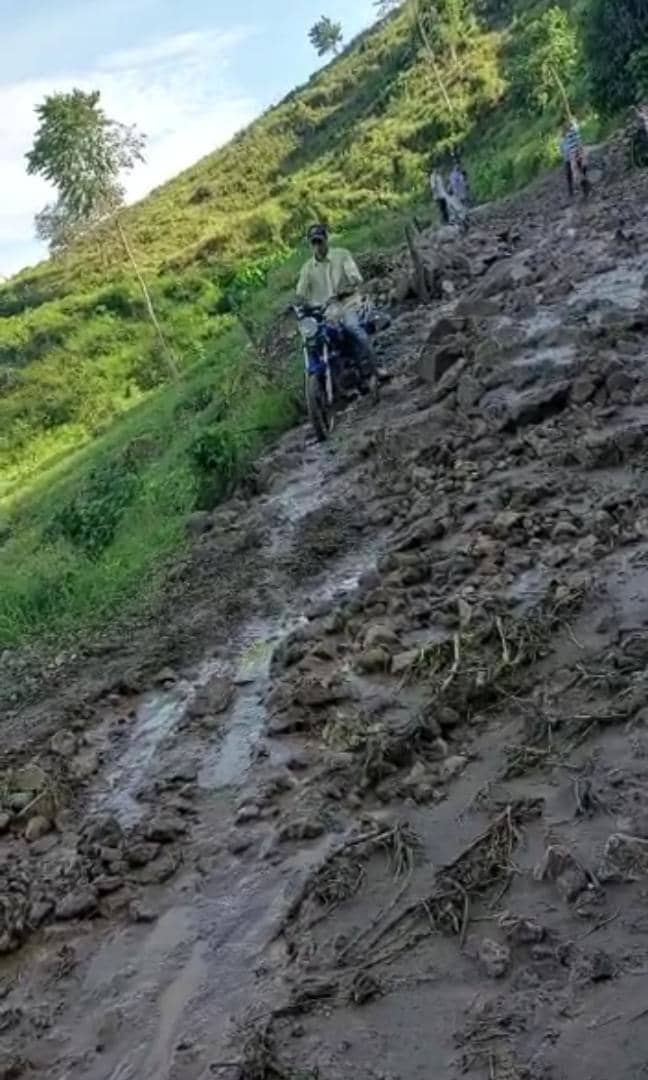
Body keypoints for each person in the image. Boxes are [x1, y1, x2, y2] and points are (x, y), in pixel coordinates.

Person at [296, 223, 382, 378]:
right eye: (313, 242)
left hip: (347, 304)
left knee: (354, 328)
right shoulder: (307, 268)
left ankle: (377, 368)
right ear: (309, 244)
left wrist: (345, 290)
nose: (317, 245)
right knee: (312, 340)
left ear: (326, 239)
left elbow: (355, 278)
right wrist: (298, 303)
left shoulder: (342, 255)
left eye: (319, 241)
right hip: (325, 313)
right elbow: (301, 293)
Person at [560, 119, 589, 198]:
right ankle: (574, 187)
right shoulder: (566, 138)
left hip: (573, 156)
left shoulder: (573, 135)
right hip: (571, 157)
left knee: (577, 171)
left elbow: (579, 143)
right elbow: (563, 150)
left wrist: (579, 152)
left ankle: (582, 185)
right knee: (572, 173)